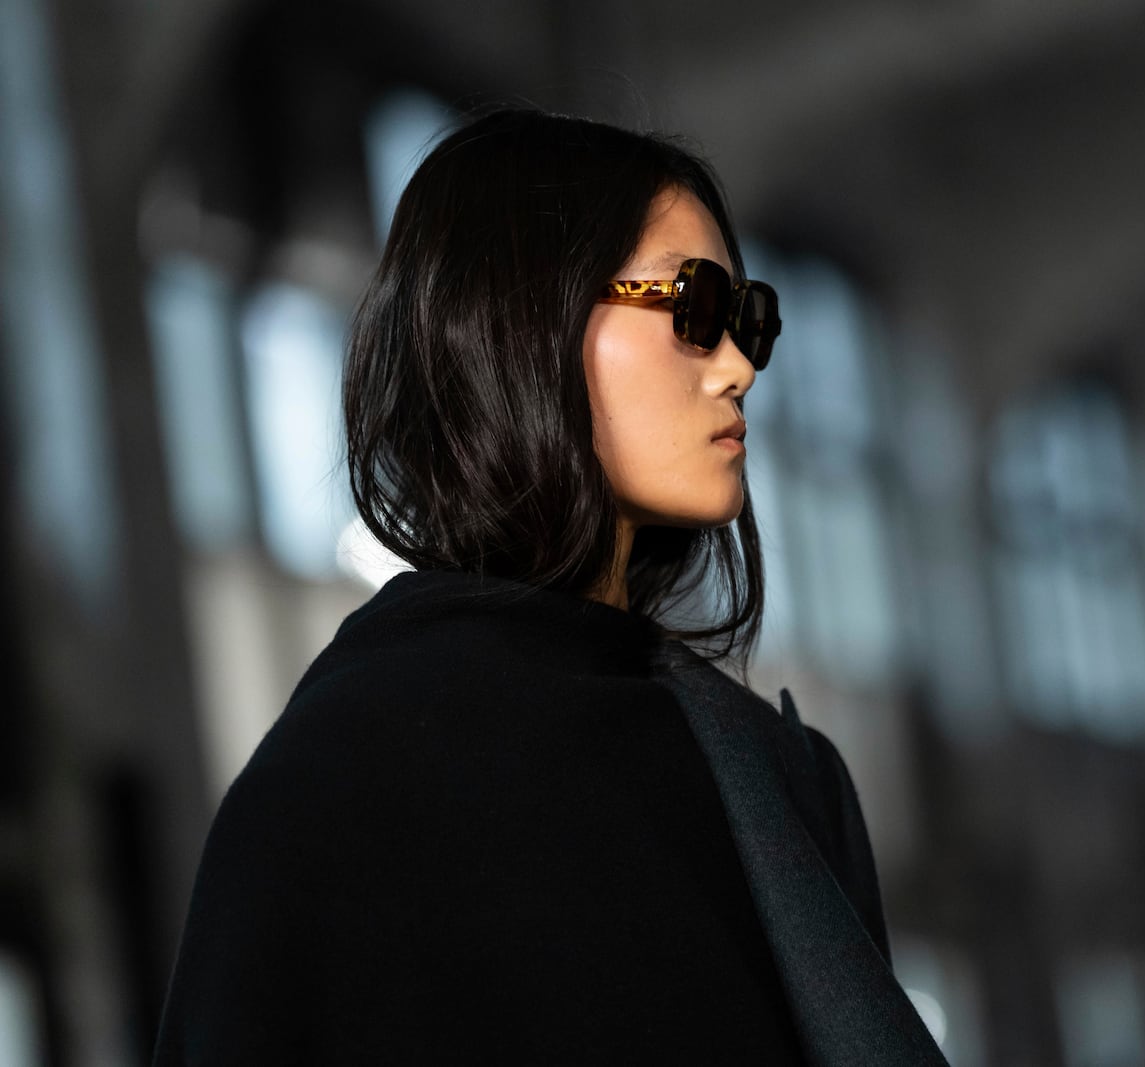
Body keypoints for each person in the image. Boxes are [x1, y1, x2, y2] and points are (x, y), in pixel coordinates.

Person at [150, 106, 948, 1065]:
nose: (738, 366)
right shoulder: (341, 787)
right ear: (524, 319)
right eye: (693, 309)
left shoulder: (779, 780)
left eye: (749, 320)